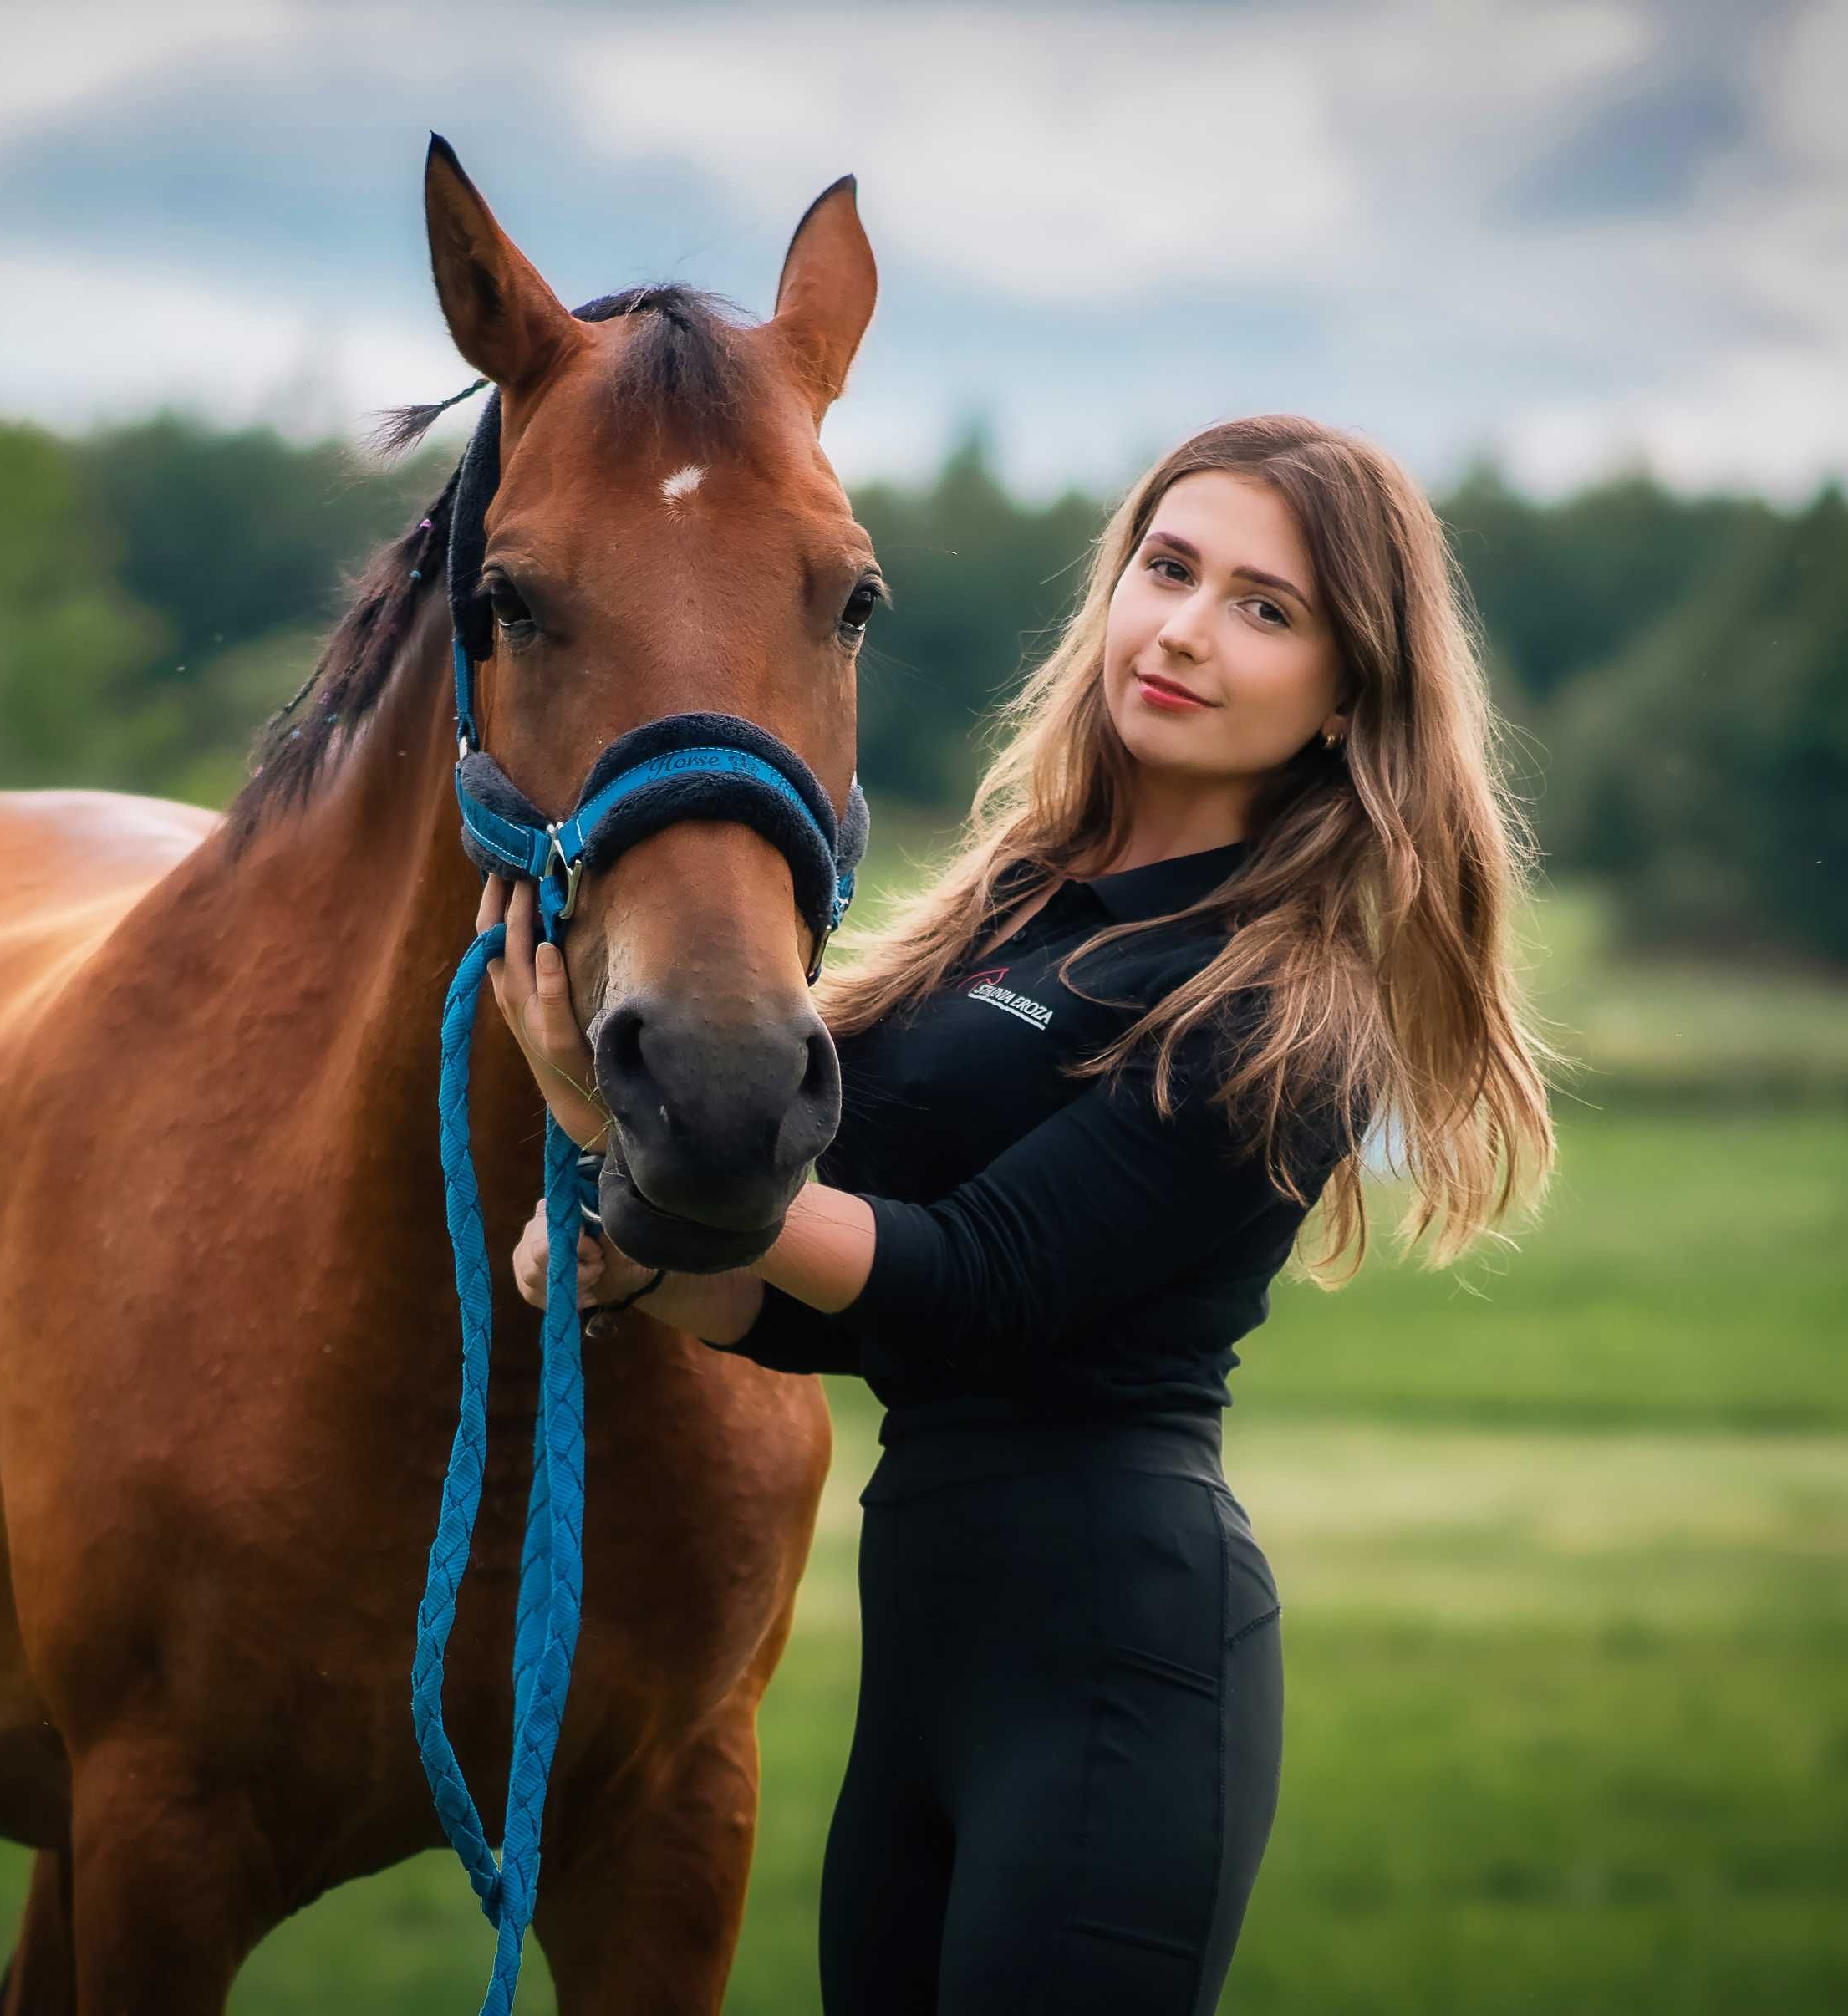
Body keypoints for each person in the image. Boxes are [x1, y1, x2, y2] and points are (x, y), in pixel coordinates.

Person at [481, 412, 1560, 2013]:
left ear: (1349, 696)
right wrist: (632, 1253)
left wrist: (614, 1135)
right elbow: (794, 1303)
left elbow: (971, 1279)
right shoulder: (1008, 912)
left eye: (1267, 609)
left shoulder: (1283, 1003)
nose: (1186, 628)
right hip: (927, 1658)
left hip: (1117, 1666)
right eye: (1168, 568)